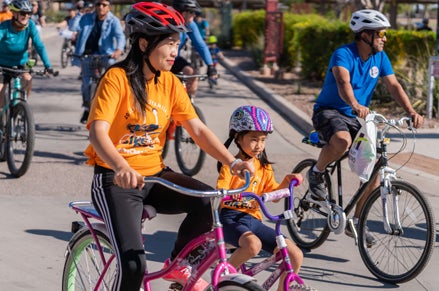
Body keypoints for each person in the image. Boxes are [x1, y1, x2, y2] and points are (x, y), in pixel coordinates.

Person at [84, 2, 254, 291]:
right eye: (170, 43)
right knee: (134, 265)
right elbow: (97, 132)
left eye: (178, 43)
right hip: (116, 179)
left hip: (155, 174)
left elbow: (197, 129)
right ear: (143, 43)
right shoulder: (116, 79)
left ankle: (177, 266)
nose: (176, 51)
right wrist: (121, 166)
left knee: (203, 200)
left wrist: (232, 161)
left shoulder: (171, 83)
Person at [306, 9, 424, 246]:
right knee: (342, 142)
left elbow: (393, 86)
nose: (385, 38)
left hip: (358, 118)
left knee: (374, 170)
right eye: (381, 33)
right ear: (365, 35)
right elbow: (343, 81)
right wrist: (355, 104)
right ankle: (316, 173)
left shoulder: (380, 57)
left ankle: (358, 221)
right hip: (330, 112)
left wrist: (410, 111)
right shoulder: (343, 54)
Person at [217, 105, 303, 291]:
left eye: (263, 140)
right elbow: (220, 192)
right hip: (231, 218)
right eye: (254, 139)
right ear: (238, 138)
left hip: (253, 220)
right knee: (253, 245)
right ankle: (222, 281)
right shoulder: (231, 166)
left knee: (295, 254)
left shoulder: (264, 167)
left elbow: (272, 194)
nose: (259, 145)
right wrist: (234, 195)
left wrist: (287, 182)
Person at [71, 0, 125, 124]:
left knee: (113, 74)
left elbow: (120, 37)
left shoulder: (113, 20)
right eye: (98, 4)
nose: (100, 7)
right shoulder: (87, 18)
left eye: (104, 5)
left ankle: (113, 105)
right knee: (86, 84)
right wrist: (80, 13)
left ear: (108, 7)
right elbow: (73, 27)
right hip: (87, 55)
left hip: (106, 55)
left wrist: (118, 50)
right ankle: (86, 108)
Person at [0, 0, 53, 108]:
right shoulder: (4, 27)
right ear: (14, 13)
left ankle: (22, 107)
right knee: (0, 90)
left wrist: (48, 65)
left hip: (21, 62)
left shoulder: (30, 26)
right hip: (2, 64)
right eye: (23, 13)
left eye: (29, 13)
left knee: (28, 79)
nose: (27, 16)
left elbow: (39, 46)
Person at [171, 0, 218, 97]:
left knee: (192, 74)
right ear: (183, 13)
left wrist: (210, 66)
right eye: (192, 12)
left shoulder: (190, 24)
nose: (195, 15)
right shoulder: (169, 23)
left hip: (174, 59)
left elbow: (200, 45)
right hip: (160, 59)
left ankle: (188, 102)